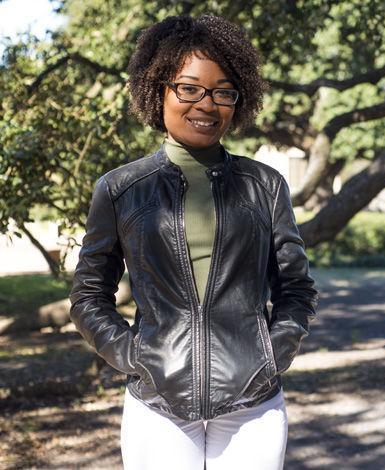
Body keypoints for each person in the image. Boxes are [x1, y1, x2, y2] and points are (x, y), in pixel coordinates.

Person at [68, 14, 319, 470]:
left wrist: (273, 351)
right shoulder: (121, 189)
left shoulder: (265, 186)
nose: (207, 103)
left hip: (253, 404)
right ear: (157, 88)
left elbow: (296, 288)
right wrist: (131, 355)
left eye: (223, 91)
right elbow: (88, 296)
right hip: (158, 403)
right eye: (189, 88)